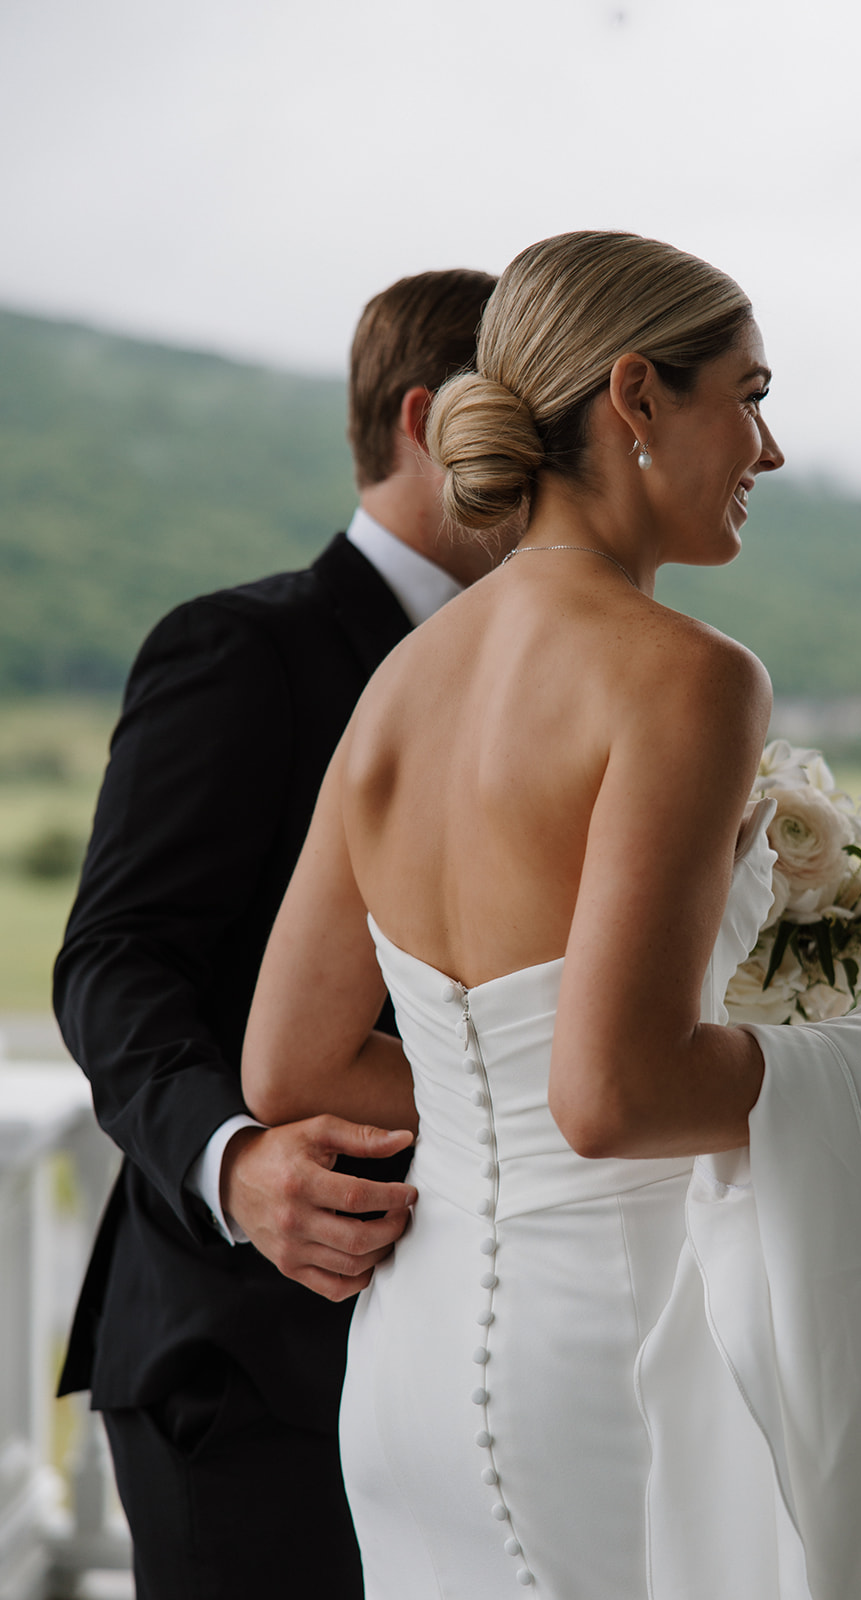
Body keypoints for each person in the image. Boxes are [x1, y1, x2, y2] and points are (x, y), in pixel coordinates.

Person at [242, 233, 861, 1598]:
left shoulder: (399, 682)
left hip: (410, 1373)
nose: (771, 447)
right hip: (616, 1376)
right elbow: (615, 1096)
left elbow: (289, 1061)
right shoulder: (686, 679)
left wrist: (494, 1115)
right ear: (635, 396)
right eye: (746, 394)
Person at [53, 266, 500, 1599]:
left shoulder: (551, 684)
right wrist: (234, 1160)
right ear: (427, 420)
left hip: (469, 1355)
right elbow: (115, 959)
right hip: (243, 1363)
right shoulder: (242, 649)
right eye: (521, 415)